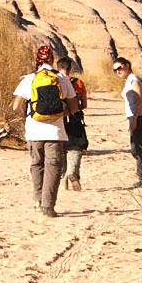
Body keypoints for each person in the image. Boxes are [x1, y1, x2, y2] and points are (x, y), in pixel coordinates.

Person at [12, 45, 78, 217]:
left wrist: (28, 119)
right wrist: (61, 115)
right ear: (52, 60)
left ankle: (37, 201)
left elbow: (16, 106)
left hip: (34, 132)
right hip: (55, 132)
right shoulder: (61, 78)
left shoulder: (29, 79)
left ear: (37, 60)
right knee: (53, 168)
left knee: (37, 165)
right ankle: (49, 207)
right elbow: (74, 106)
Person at [113, 56, 142, 187]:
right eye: (115, 70)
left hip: (138, 116)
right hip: (136, 116)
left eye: (120, 68)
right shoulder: (129, 79)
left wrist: (134, 118)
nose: (118, 71)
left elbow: (139, 99)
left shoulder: (133, 79)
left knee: (138, 147)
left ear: (127, 65)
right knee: (141, 146)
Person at [55, 56, 88, 191]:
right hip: (75, 120)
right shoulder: (78, 83)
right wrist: (74, 110)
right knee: (75, 147)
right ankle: (72, 171)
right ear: (71, 68)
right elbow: (84, 104)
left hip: (58, 120)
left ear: (58, 68)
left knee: (60, 151)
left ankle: (63, 184)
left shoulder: (55, 82)